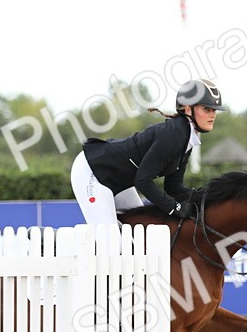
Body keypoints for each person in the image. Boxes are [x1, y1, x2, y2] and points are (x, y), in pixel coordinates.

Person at [71, 78, 225, 226]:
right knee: (112, 241)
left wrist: (204, 198)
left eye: (214, 110)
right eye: (207, 109)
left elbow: (174, 187)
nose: (213, 115)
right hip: (92, 171)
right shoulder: (174, 135)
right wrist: (175, 208)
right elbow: (143, 181)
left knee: (141, 228)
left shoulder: (186, 139)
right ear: (187, 108)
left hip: (119, 180)